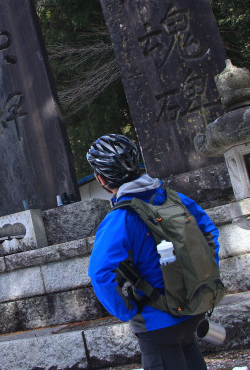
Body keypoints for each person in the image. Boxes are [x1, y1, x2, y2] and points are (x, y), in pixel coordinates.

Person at [86, 134, 220, 370]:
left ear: (102, 180)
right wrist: (203, 277)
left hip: (157, 323)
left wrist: (126, 310)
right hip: (193, 310)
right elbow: (209, 232)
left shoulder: (120, 218)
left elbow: (99, 273)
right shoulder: (175, 198)